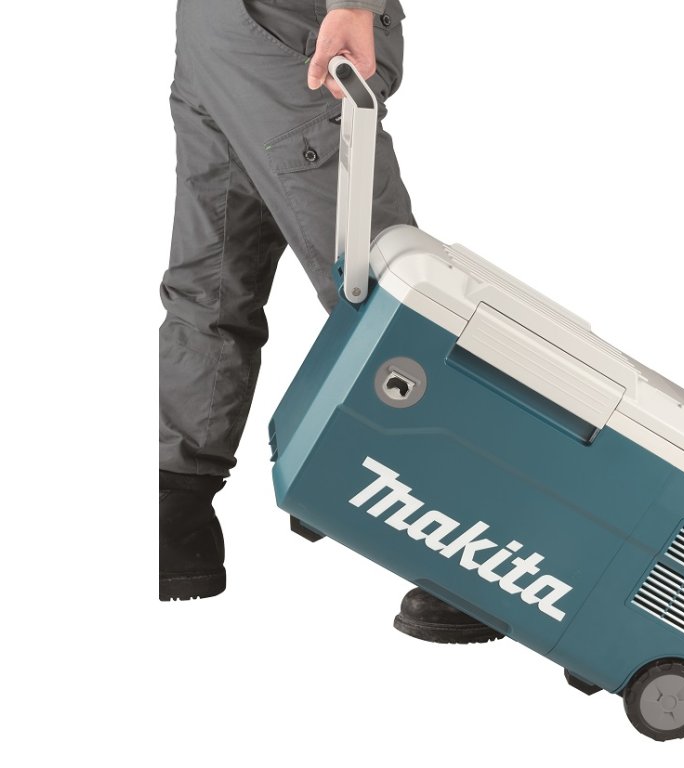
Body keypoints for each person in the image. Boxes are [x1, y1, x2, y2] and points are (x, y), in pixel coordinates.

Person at [159, 0, 503, 644]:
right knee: (219, 281)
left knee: (381, 297)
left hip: (272, 29)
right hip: (235, 30)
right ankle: (177, 505)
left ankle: (484, 538)